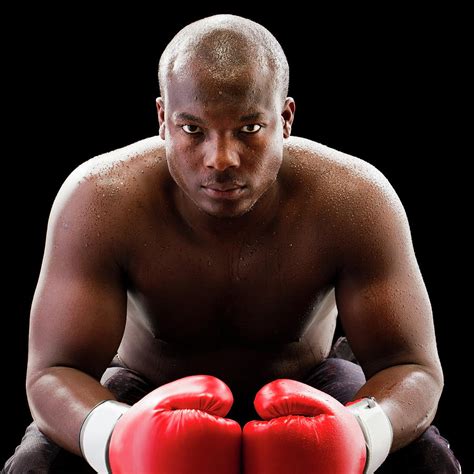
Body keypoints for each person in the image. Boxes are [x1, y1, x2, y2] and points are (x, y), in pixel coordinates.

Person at [3, 13, 460, 474]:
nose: (220, 159)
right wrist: (118, 437)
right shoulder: (99, 201)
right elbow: (53, 371)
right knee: (35, 465)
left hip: (308, 385)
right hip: (147, 388)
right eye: (192, 130)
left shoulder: (354, 200)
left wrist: (361, 435)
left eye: (249, 129)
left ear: (285, 119)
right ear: (163, 118)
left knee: (429, 461)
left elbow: (413, 367)